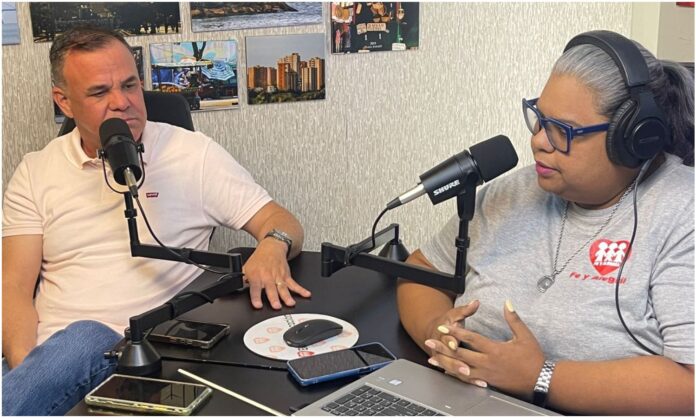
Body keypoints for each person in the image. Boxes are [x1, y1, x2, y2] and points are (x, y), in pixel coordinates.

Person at [2, 26, 311, 415]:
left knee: (86, 336)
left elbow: (281, 220)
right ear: (64, 101)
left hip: (137, 362)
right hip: (42, 366)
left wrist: (273, 245)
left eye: (130, 85)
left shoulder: (192, 155)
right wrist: (31, 377)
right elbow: (14, 287)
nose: (122, 102)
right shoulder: (36, 170)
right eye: (99, 92)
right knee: (70, 347)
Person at [397, 30, 694, 415]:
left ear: (633, 138)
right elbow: (422, 270)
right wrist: (437, 332)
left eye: (563, 131)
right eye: (539, 118)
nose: (538, 141)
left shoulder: (682, 213)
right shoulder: (516, 190)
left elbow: (689, 386)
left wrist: (539, 377)